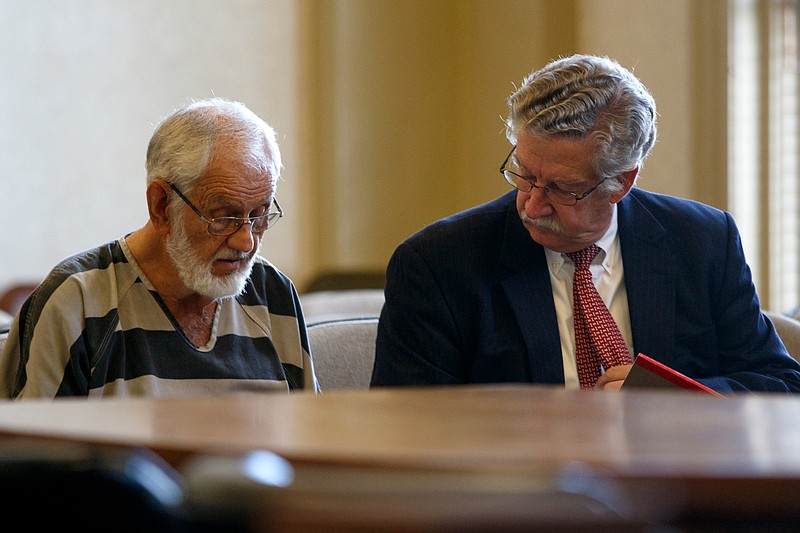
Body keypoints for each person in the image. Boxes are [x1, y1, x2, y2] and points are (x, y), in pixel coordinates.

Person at [371, 54, 800, 393]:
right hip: (518, 496)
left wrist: (672, 402)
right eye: (524, 173)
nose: (532, 206)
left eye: (562, 188)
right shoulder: (437, 264)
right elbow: (408, 427)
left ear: (622, 182)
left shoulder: (702, 241)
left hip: (677, 495)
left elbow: (778, 385)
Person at [0, 97, 318, 398]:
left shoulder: (273, 295)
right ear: (162, 205)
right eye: (223, 217)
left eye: (260, 214)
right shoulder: (76, 303)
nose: (245, 241)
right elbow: (33, 453)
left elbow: (311, 439)